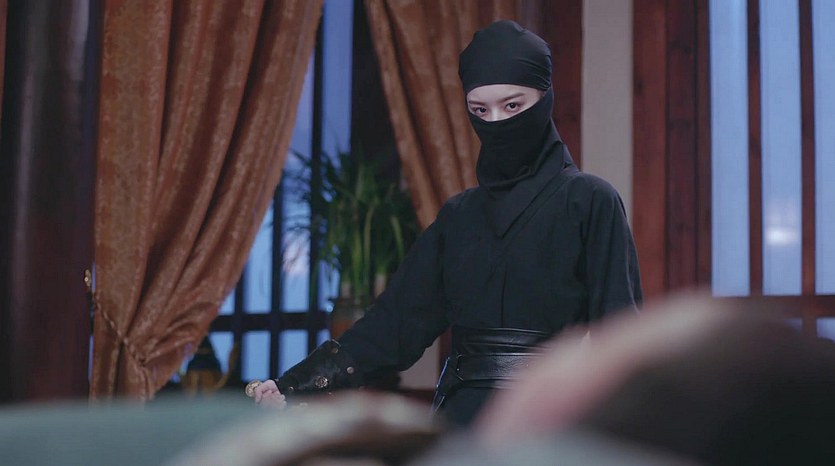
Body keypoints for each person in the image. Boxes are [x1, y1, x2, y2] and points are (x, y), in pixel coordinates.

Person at [252, 19, 642, 427]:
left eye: (512, 106)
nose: (496, 122)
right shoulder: (459, 216)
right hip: (461, 420)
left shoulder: (590, 202)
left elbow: (620, 337)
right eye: (480, 110)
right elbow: (395, 325)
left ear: (544, 99)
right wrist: (293, 384)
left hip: (552, 417)